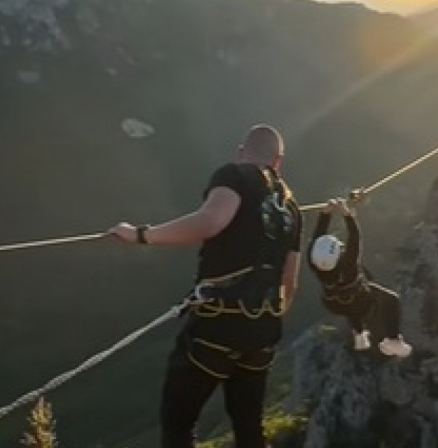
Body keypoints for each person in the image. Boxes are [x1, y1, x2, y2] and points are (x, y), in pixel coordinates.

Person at [108, 124, 302, 448]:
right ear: (278, 161)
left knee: (178, 421)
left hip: (218, 324)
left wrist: (140, 235)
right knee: (248, 423)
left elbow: (209, 222)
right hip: (264, 329)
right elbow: (289, 281)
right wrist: (264, 321)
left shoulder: (234, 175)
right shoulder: (292, 208)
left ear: (241, 152)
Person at [308, 197, 412, 357]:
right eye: (340, 248)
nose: (343, 247)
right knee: (392, 300)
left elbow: (317, 238)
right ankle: (393, 341)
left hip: (332, 303)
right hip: (361, 301)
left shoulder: (315, 262)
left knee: (348, 304)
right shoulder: (348, 265)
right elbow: (355, 236)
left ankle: (359, 335)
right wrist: (347, 214)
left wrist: (325, 214)